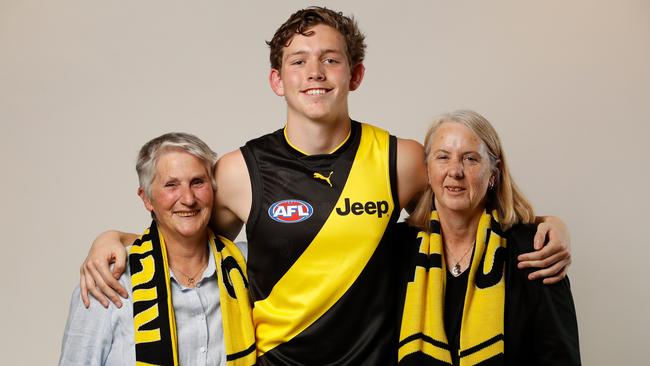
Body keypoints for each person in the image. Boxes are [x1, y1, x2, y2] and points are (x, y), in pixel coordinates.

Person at [77, 7, 572, 365]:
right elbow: (184, 236)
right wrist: (115, 238)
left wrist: (549, 225)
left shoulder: (402, 160)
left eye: (331, 59)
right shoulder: (237, 170)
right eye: (298, 61)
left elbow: (469, 199)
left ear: (355, 74)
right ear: (277, 79)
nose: (314, 72)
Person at [397, 110, 580, 365]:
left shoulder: (534, 251)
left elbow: (560, 358)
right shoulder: (397, 249)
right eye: (442, 157)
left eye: (471, 159)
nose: (455, 171)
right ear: (427, 171)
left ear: (493, 174)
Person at [59, 133, 256, 366]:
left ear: (213, 190)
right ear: (146, 199)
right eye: (171, 185)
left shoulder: (246, 265)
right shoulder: (109, 280)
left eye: (197, 182)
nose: (188, 199)